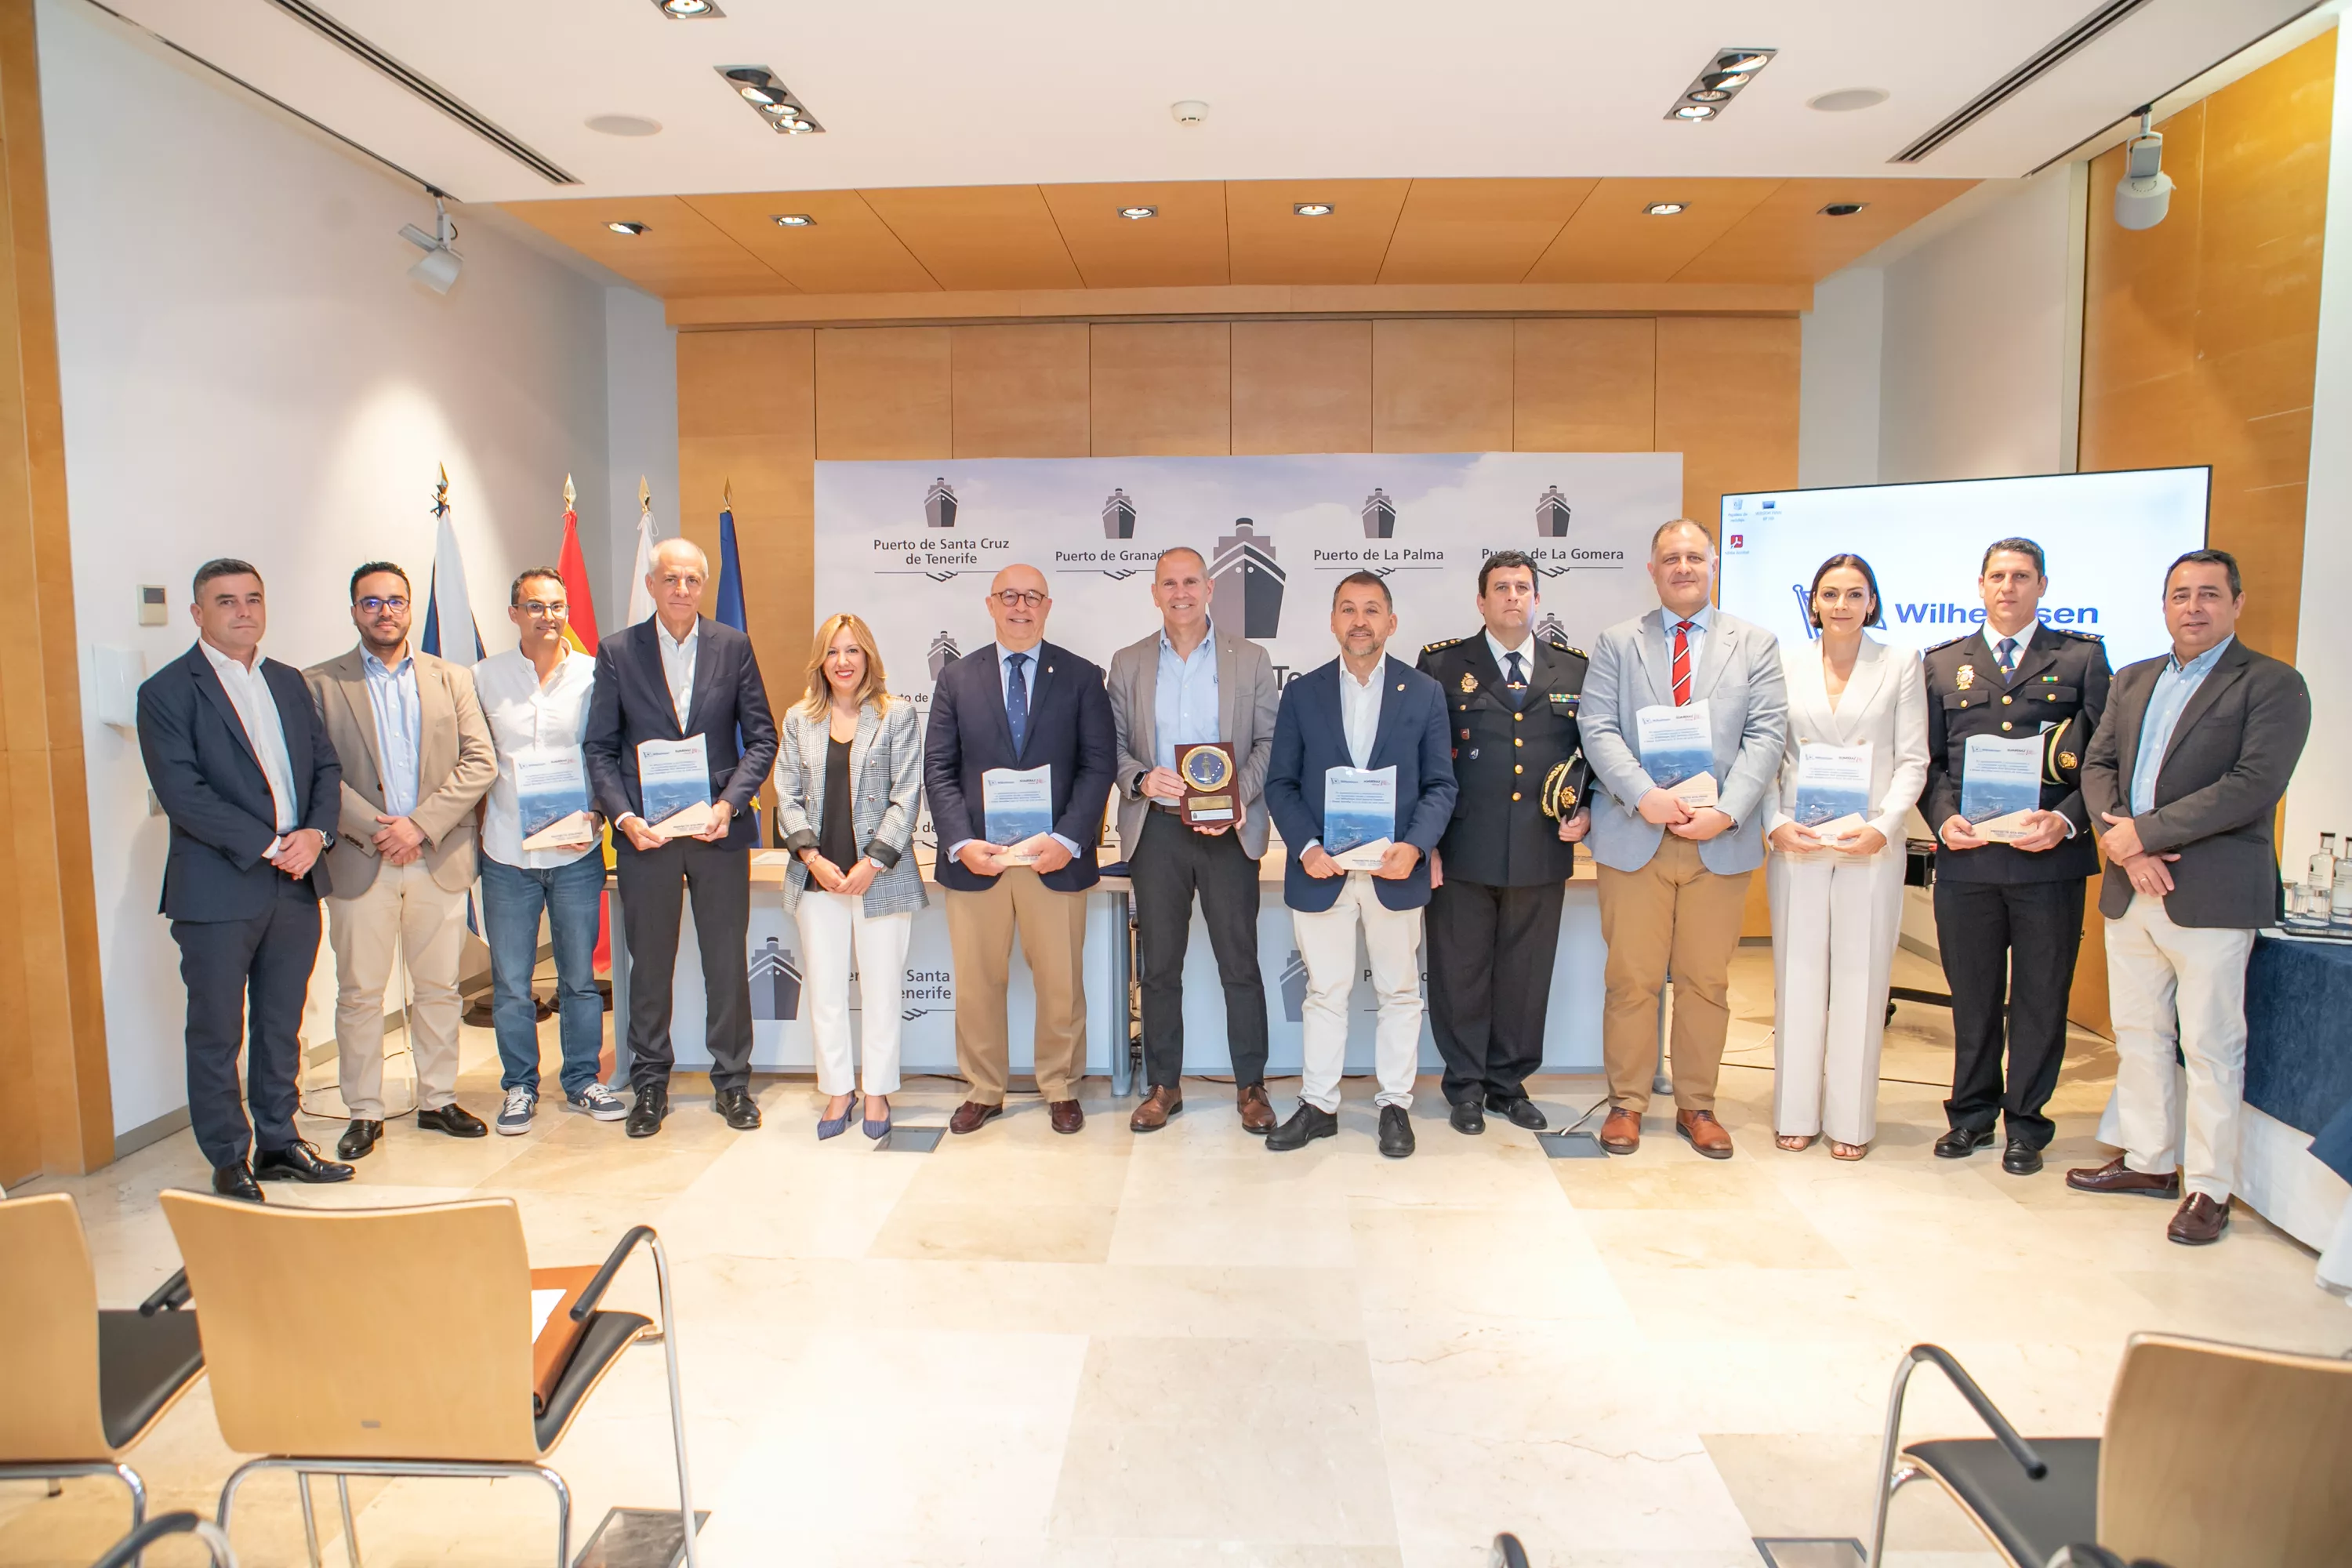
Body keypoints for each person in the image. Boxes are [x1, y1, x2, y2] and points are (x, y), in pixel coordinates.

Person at [2069, 550, 2309, 1245]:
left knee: (2210, 1045)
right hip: (2130, 886)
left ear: (2237, 603)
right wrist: (2125, 844)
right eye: (2181, 595)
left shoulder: (2272, 685)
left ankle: (2209, 1187)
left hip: (2210, 891)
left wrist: (2144, 835)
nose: (2193, 607)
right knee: (2141, 1034)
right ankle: (2149, 1160)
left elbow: (2253, 783)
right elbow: (2099, 763)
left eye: (2209, 594)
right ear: (2165, 605)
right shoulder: (2136, 679)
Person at [137, 558, 354, 1200]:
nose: (242, 611)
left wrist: (315, 835)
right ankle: (230, 1157)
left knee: (282, 1022)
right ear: (198, 613)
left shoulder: (288, 682)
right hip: (218, 887)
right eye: (226, 600)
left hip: (296, 880)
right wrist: (269, 845)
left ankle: (280, 1141)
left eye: (253, 598)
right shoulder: (169, 690)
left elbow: (324, 766)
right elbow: (184, 792)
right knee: (217, 1030)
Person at [1578, 519, 1787, 1159]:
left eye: (1694, 557)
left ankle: (1698, 1104)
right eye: (1671, 558)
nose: (1683, 567)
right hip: (1635, 832)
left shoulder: (1756, 644)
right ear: (1652, 570)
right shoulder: (1617, 643)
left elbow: (1767, 735)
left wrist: (1725, 811)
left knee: (1705, 982)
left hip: (1718, 838)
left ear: (1714, 564)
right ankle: (1627, 1105)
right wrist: (1646, 796)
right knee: (1632, 980)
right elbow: (1597, 726)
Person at [1922, 538, 2111, 1174]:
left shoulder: (2082, 659)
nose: (2009, 587)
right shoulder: (1945, 664)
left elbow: (2105, 763)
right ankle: (1971, 1116)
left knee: (2040, 997)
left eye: (2022, 577)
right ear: (1980, 586)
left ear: (2043, 585)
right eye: (1998, 577)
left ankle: (2027, 1124)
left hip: (2047, 863)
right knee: (1973, 997)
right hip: (1969, 864)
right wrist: (1944, 821)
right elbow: (1930, 764)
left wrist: (2065, 820)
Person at [585, 537, 780, 1138]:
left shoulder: (733, 646)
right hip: (647, 838)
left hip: (719, 832)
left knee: (725, 962)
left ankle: (733, 1083)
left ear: (703, 586)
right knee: (650, 967)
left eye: (693, 580)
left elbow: (763, 738)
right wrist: (623, 818)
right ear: (651, 585)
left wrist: (730, 803)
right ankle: (650, 1083)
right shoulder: (618, 651)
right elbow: (599, 747)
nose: (682, 591)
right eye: (671, 580)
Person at [304, 562, 497, 1159]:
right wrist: (379, 829)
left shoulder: (453, 678)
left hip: (436, 855)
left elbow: (480, 762)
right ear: (354, 610)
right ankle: (364, 1109)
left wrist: (420, 824)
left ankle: (438, 1099)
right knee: (361, 993)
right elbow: (318, 774)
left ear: (410, 607)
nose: (385, 612)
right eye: (371, 603)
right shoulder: (320, 684)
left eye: (395, 601)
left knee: (438, 987)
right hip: (362, 861)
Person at [1261, 571, 1457, 1158]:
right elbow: (1281, 784)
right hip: (1322, 869)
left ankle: (1395, 1105)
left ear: (1391, 623)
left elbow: (1442, 785)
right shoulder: (1302, 693)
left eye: (1372, 609)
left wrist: (1416, 847)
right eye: (1348, 609)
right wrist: (1306, 848)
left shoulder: (1423, 693)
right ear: (1332, 621)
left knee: (1399, 992)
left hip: (1395, 871)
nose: (1360, 620)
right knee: (1325, 992)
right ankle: (1319, 1105)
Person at [924, 564, 1117, 1136]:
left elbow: (1098, 765)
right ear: (990, 604)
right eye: (1009, 595)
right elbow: (938, 769)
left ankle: (1059, 1086)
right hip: (978, 862)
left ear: (1047, 606)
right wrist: (961, 843)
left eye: (1032, 597)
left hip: (1053, 861)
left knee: (1060, 983)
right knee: (978, 983)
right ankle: (984, 1088)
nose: (1020, 606)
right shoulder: (957, 678)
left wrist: (1066, 839)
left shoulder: (1082, 677)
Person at [1107, 546, 1282, 1134]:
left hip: (1229, 833)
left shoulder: (1251, 659)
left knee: (1240, 963)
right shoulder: (1128, 662)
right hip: (1157, 829)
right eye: (1168, 584)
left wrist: (1236, 801)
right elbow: (1110, 745)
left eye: (1190, 582)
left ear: (1210, 589)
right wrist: (1137, 776)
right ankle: (1164, 1086)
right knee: (1160, 967)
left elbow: (1269, 742)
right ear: (1154, 593)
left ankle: (1251, 1086)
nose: (1180, 593)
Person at [1417, 549, 1590, 1135]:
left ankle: (1508, 1084)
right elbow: (1425, 760)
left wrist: (1585, 809)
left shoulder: (1573, 669)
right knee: (1459, 971)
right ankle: (1464, 1087)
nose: (1513, 596)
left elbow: (1589, 755)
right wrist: (1426, 842)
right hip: (1463, 848)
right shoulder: (1441, 666)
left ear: (1536, 598)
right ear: (1481, 601)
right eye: (1501, 587)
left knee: (1525, 973)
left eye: (1523, 587)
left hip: (1541, 847)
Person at [1764, 554, 1926, 1160]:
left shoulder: (1901, 664)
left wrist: (1886, 827)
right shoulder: (1784, 663)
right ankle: (1795, 1113)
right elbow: (1771, 756)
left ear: (1872, 603)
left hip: (1869, 847)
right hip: (1799, 844)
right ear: (1813, 603)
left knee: (1860, 984)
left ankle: (1851, 1122)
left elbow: (1913, 758)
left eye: (1854, 594)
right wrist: (1774, 822)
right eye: (1830, 594)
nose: (1841, 605)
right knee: (1798, 979)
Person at [475, 568, 625, 1136]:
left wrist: (598, 811)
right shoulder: (484, 678)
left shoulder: (593, 675)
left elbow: (606, 751)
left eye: (558, 606)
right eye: (535, 606)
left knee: (579, 979)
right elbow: (473, 758)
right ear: (513, 613)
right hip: (507, 854)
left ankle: (583, 1078)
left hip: (576, 850)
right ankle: (519, 1086)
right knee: (513, 982)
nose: (549, 616)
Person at [775, 612, 926, 1140]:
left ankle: (878, 1089)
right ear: (822, 660)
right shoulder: (799, 719)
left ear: (869, 659)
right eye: (834, 651)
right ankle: (839, 1087)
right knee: (826, 991)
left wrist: (873, 862)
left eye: (853, 651)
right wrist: (812, 858)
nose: (843, 661)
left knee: (883, 990)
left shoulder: (896, 715)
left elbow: (907, 795)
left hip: (879, 877)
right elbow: (786, 797)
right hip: (818, 877)